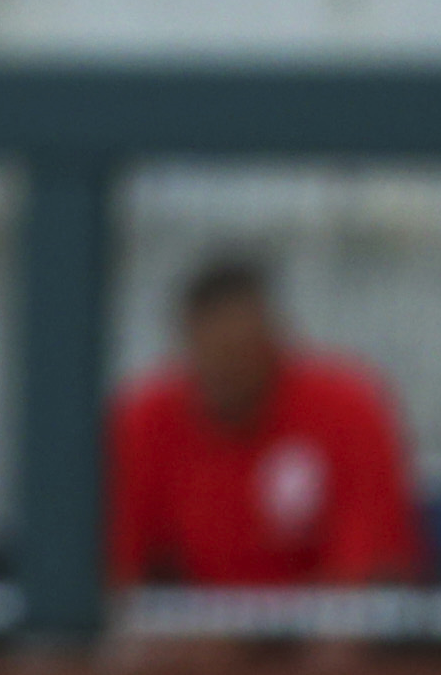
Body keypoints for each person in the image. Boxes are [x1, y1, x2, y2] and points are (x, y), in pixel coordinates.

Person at [105, 255, 420, 601]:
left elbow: (368, 564)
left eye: (241, 353)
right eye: (214, 354)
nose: (228, 372)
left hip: (313, 634)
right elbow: (117, 567)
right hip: (190, 640)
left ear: (275, 338)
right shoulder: (144, 421)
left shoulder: (347, 406)